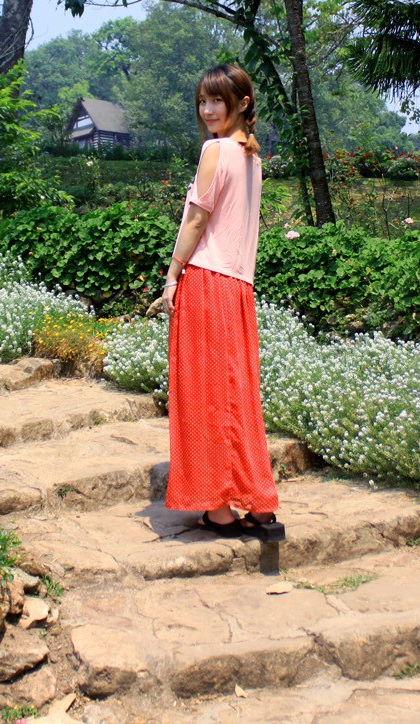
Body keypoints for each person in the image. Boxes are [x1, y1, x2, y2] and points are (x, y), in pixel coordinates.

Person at [161, 63, 284, 542]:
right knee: (238, 396)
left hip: (207, 282)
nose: (208, 110)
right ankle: (257, 502)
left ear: (242, 103)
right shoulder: (253, 159)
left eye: (217, 100)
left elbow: (196, 221)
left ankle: (217, 507)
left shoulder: (215, 151)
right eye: (202, 101)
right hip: (238, 289)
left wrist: (172, 276)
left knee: (204, 396)